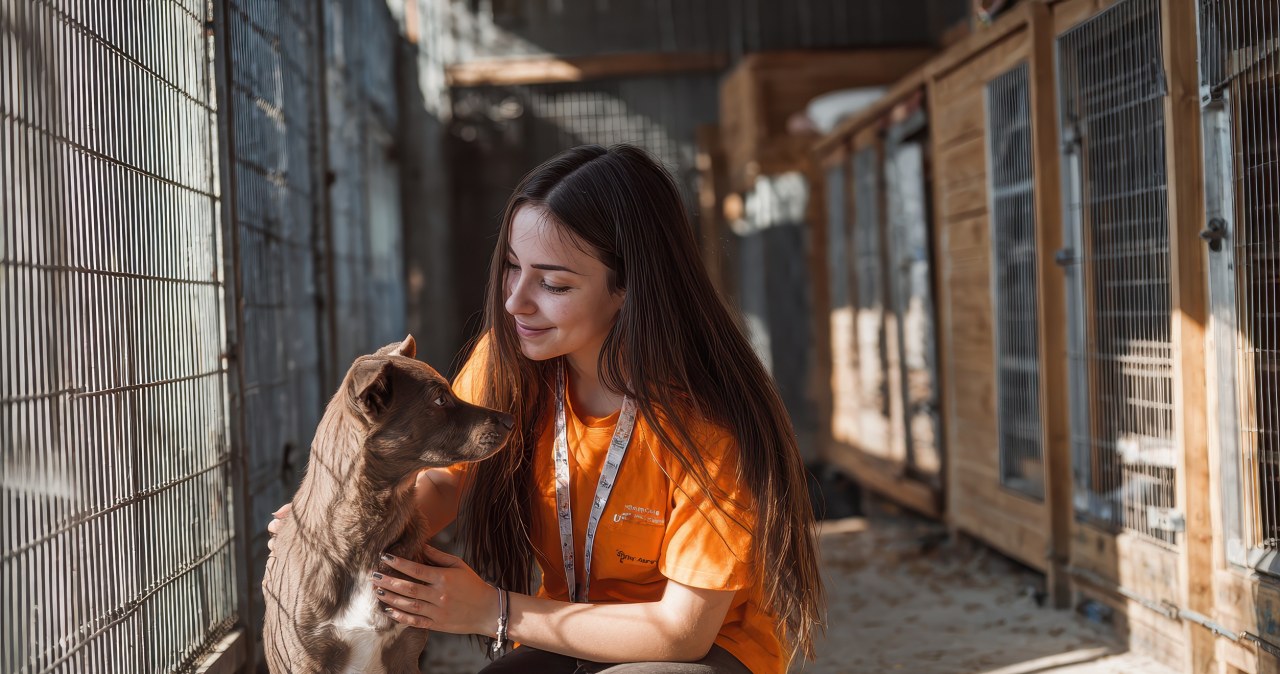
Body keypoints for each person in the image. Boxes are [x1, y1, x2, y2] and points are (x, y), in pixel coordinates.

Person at [271, 144, 824, 673]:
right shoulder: (509, 358)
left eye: (553, 283)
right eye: (513, 266)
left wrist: (492, 610)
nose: (515, 301)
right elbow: (444, 480)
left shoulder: (708, 424)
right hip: (568, 635)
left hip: (697, 656)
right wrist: (335, 527)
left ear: (629, 286)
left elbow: (683, 631)